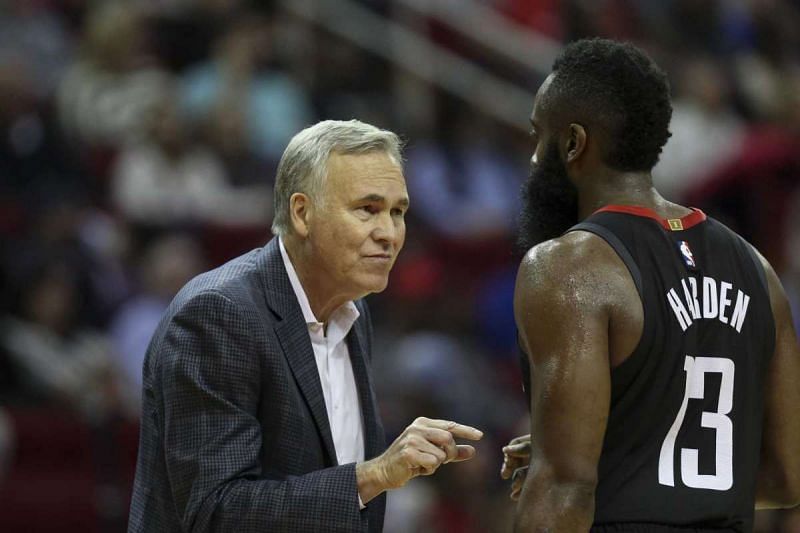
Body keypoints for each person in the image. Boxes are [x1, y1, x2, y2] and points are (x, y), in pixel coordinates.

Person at [501, 38, 800, 532]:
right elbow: (787, 477)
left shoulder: (567, 266)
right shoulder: (757, 269)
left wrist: (577, 465)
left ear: (574, 142)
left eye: (540, 136)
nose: (535, 159)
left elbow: (564, 488)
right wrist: (624, 460)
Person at [128, 120, 483, 532]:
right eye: (367, 209)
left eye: (397, 212)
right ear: (302, 213)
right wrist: (375, 474)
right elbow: (216, 512)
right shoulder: (218, 315)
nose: (388, 233)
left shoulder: (354, 311)